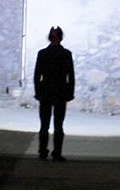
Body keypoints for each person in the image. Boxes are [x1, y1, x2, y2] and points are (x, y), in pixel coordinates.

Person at [33, 26, 75, 161]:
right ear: (61, 38)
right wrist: (70, 92)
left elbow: (37, 75)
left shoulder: (42, 54)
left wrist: (38, 92)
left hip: (46, 91)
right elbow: (70, 76)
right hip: (60, 92)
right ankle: (57, 152)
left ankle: (43, 151)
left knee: (44, 124)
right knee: (58, 124)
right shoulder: (66, 54)